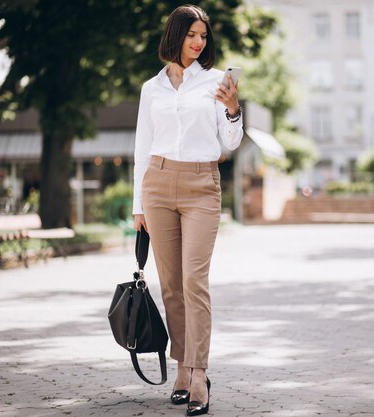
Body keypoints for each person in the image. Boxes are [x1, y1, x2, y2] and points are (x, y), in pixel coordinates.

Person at [132, 4, 243, 416]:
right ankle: (181, 369)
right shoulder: (152, 88)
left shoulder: (217, 82)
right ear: (175, 35)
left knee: (195, 281)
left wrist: (233, 109)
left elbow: (230, 142)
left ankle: (199, 375)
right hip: (157, 185)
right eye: (191, 35)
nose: (198, 43)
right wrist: (137, 205)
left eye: (203, 36)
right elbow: (142, 148)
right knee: (172, 285)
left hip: (201, 185)